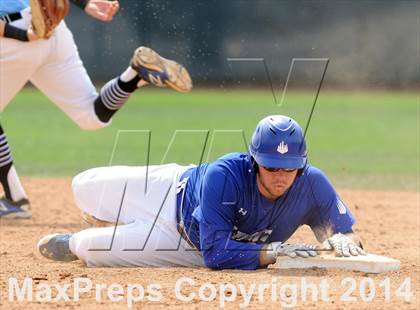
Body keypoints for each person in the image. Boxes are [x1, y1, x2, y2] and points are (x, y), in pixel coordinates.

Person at [37, 115, 366, 270]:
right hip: (170, 192)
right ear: (254, 161)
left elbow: (213, 255)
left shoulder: (312, 183)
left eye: (289, 167)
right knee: (83, 186)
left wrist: (341, 238)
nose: (281, 176)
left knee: (88, 249)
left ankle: (75, 240)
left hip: (189, 243)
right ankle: (107, 213)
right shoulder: (225, 176)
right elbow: (220, 255)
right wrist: (276, 252)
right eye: (271, 167)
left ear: (302, 165)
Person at [0, 0, 192, 218]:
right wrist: (85, 3)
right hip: (51, 27)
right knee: (91, 116)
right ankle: (134, 74)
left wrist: (26, 36)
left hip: (15, 35)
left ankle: (15, 199)